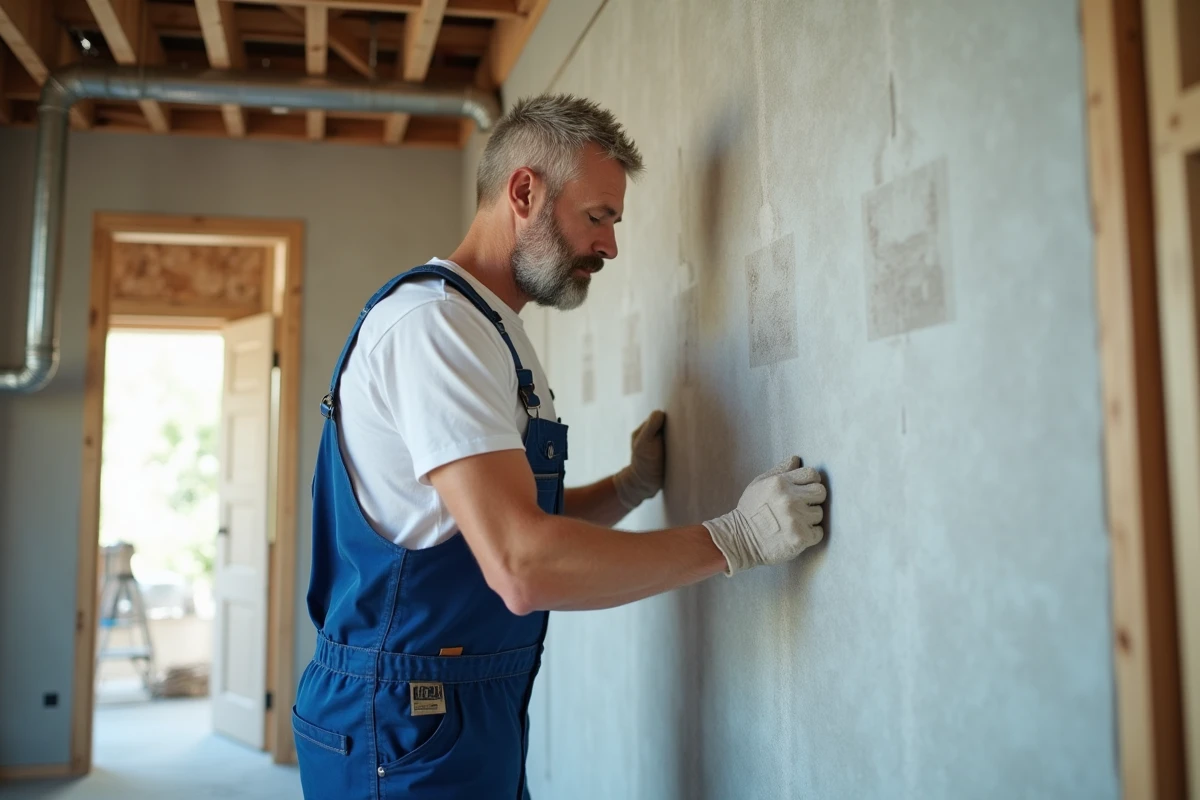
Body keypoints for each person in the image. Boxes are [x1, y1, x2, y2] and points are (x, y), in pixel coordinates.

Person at [293, 94, 827, 799]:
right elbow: (520, 565)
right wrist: (737, 538)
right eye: (598, 217)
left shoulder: (489, 328)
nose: (609, 246)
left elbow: (491, 524)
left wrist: (627, 488)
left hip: (456, 708)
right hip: (398, 718)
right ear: (524, 192)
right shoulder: (434, 330)